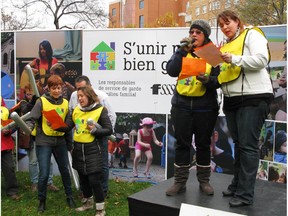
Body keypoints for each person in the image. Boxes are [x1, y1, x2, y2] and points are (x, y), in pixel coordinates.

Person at [216, 10, 273, 207]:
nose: (224, 27)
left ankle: (245, 194)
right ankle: (237, 186)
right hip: (232, 100)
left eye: (227, 23)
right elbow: (226, 73)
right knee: (239, 145)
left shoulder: (252, 33)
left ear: (237, 21)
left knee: (248, 146)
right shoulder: (227, 44)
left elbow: (261, 60)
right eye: (221, 25)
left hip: (254, 97)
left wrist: (233, 59)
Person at [166, 19, 220, 196]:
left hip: (205, 108)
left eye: (198, 32)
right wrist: (181, 51)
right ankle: (180, 182)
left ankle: (204, 181)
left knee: (203, 144)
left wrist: (209, 81)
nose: (194, 35)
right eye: (192, 32)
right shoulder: (182, 50)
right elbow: (172, 71)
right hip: (181, 106)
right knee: (183, 144)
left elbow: (220, 80)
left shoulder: (212, 53)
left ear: (205, 36)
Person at [57, 85, 112, 215]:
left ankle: (100, 209)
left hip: (93, 150)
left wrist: (94, 130)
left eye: (82, 96)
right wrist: (56, 125)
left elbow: (109, 130)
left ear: (89, 96)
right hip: (78, 149)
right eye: (78, 96)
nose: (79, 99)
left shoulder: (100, 110)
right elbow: (68, 126)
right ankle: (87, 203)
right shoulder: (76, 109)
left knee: (94, 180)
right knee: (83, 179)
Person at [26, 75, 76, 212]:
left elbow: (67, 126)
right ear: (49, 88)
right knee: (44, 173)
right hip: (44, 140)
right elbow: (32, 118)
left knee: (65, 170)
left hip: (60, 141)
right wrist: (29, 128)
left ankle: (69, 196)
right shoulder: (41, 101)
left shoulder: (66, 103)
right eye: (54, 88)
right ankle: (42, 201)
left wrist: (69, 144)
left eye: (59, 88)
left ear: (62, 88)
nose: (56, 91)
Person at [69, 75, 117, 196]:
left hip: (99, 136)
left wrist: (103, 132)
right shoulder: (74, 96)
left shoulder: (102, 97)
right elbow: (72, 113)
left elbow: (111, 116)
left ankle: (103, 191)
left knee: (102, 164)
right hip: (82, 138)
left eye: (83, 88)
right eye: (77, 89)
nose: (79, 92)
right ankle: (85, 192)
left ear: (90, 87)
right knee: (82, 166)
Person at [18, 83, 59, 192]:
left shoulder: (44, 101)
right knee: (33, 161)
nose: (30, 96)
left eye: (32, 94)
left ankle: (49, 182)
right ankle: (34, 183)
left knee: (48, 161)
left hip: (44, 136)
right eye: (28, 94)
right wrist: (33, 102)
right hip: (32, 138)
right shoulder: (23, 103)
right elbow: (27, 110)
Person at [1, 100, 21, 200]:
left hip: (4, 145)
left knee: (9, 168)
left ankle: (12, 191)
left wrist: (9, 130)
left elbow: (16, 124)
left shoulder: (5, 110)